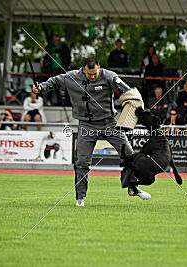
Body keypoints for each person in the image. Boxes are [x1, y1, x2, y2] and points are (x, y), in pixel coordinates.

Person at [32, 57, 151, 206]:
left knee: (128, 153)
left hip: (110, 122)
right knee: (82, 161)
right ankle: (80, 198)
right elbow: (55, 81)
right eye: (90, 75)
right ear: (83, 70)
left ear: (99, 68)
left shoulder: (109, 76)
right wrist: (41, 88)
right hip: (86, 125)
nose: (93, 76)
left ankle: (133, 188)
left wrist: (136, 103)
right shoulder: (71, 77)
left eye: (95, 73)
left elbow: (127, 90)